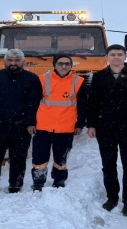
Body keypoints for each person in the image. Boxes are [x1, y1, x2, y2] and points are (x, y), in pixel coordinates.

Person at [87, 44, 127, 217]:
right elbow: (92, 103)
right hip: (105, 128)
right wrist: (91, 124)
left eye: (119, 54)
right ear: (107, 57)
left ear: (125, 56)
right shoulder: (99, 77)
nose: (116, 57)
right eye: (113, 54)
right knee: (108, 165)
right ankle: (112, 198)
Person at [0, 48, 42, 196]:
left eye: (17, 60)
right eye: (10, 60)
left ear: (23, 62)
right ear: (5, 61)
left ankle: (15, 185)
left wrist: (31, 122)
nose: (13, 63)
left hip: (21, 126)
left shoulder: (32, 79)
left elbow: (34, 103)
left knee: (18, 158)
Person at [29, 53, 87, 191]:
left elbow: (83, 106)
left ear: (71, 66)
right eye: (60, 63)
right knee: (39, 157)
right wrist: (30, 122)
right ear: (54, 65)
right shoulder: (42, 79)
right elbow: (32, 102)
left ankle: (59, 181)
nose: (64, 66)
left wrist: (79, 124)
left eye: (67, 64)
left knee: (61, 158)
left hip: (66, 127)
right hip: (43, 126)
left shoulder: (78, 81)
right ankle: (38, 182)